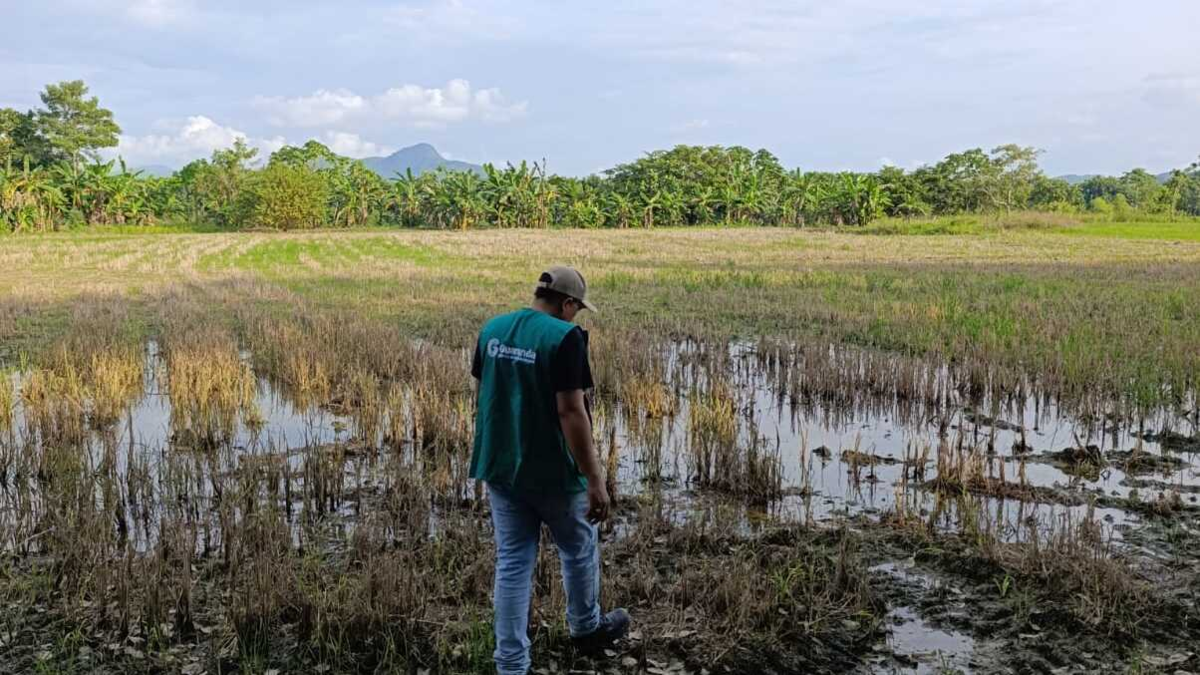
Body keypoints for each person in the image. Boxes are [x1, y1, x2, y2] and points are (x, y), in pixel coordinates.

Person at [470, 266, 630, 675]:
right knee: (578, 549)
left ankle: (510, 664)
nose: (577, 317)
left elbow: (485, 393)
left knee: (512, 564)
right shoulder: (565, 337)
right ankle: (585, 628)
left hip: (502, 467)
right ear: (568, 303)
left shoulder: (492, 329)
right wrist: (595, 479)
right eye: (577, 309)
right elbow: (571, 411)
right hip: (555, 474)